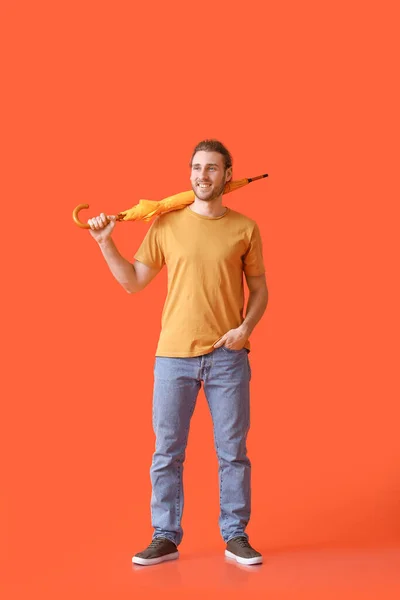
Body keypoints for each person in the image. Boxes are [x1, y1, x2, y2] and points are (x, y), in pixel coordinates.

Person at [88, 139, 269, 566]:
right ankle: (165, 536)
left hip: (228, 355)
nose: (201, 175)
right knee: (167, 451)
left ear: (228, 175)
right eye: (195, 167)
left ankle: (236, 535)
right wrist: (104, 242)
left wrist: (245, 329)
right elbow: (133, 282)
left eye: (211, 168)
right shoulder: (166, 224)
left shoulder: (245, 227)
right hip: (173, 356)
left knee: (233, 451)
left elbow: (260, 289)